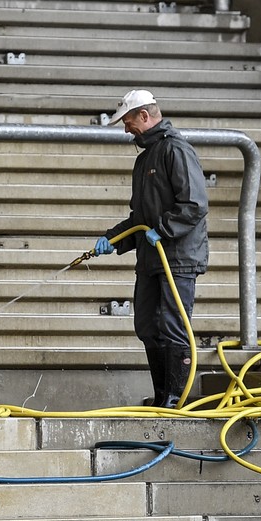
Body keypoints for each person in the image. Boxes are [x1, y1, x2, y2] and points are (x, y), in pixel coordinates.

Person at [92, 89, 209, 409]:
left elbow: (194, 204)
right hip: (150, 258)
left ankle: (175, 399)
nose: (126, 128)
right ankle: (162, 396)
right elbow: (140, 219)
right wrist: (114, 239)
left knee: (172, 325)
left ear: (145, 116)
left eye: (128, 122)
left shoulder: (176, 150)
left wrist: (163, 230)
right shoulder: (145, 159)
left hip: (178, 257)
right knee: (146, 325)